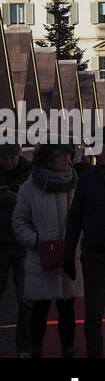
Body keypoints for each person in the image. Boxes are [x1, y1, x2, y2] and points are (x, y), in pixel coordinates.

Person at [63, 128, 105, 358]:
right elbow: (75, 218)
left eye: (104, 148)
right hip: (93, 251)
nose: (100, 153)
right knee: (93, 309)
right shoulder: (86, 179)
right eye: (96, 148)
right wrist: (69, 252)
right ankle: (94, 351)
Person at [11, 145, 83, 358]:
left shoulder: (75, 184)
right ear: (46, 159)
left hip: (68, 258)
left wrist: (77, 240)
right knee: (39, 310)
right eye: (60, 154)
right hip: (40, 259)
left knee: (67, 309)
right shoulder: (29, 188)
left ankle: (68, 351)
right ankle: (36, 351)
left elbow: (85, 217)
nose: (66, 159)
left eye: (68, 154)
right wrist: (36, 242)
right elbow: (19, 221)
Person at [0, 144, 33, 357]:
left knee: (25, 299)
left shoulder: (30, 174)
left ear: (19, 155)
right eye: (5, 159)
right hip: (1, 243)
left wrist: (18, 197)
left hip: (22, 245)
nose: (9, 163)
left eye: (12, 158)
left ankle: (23, 346)